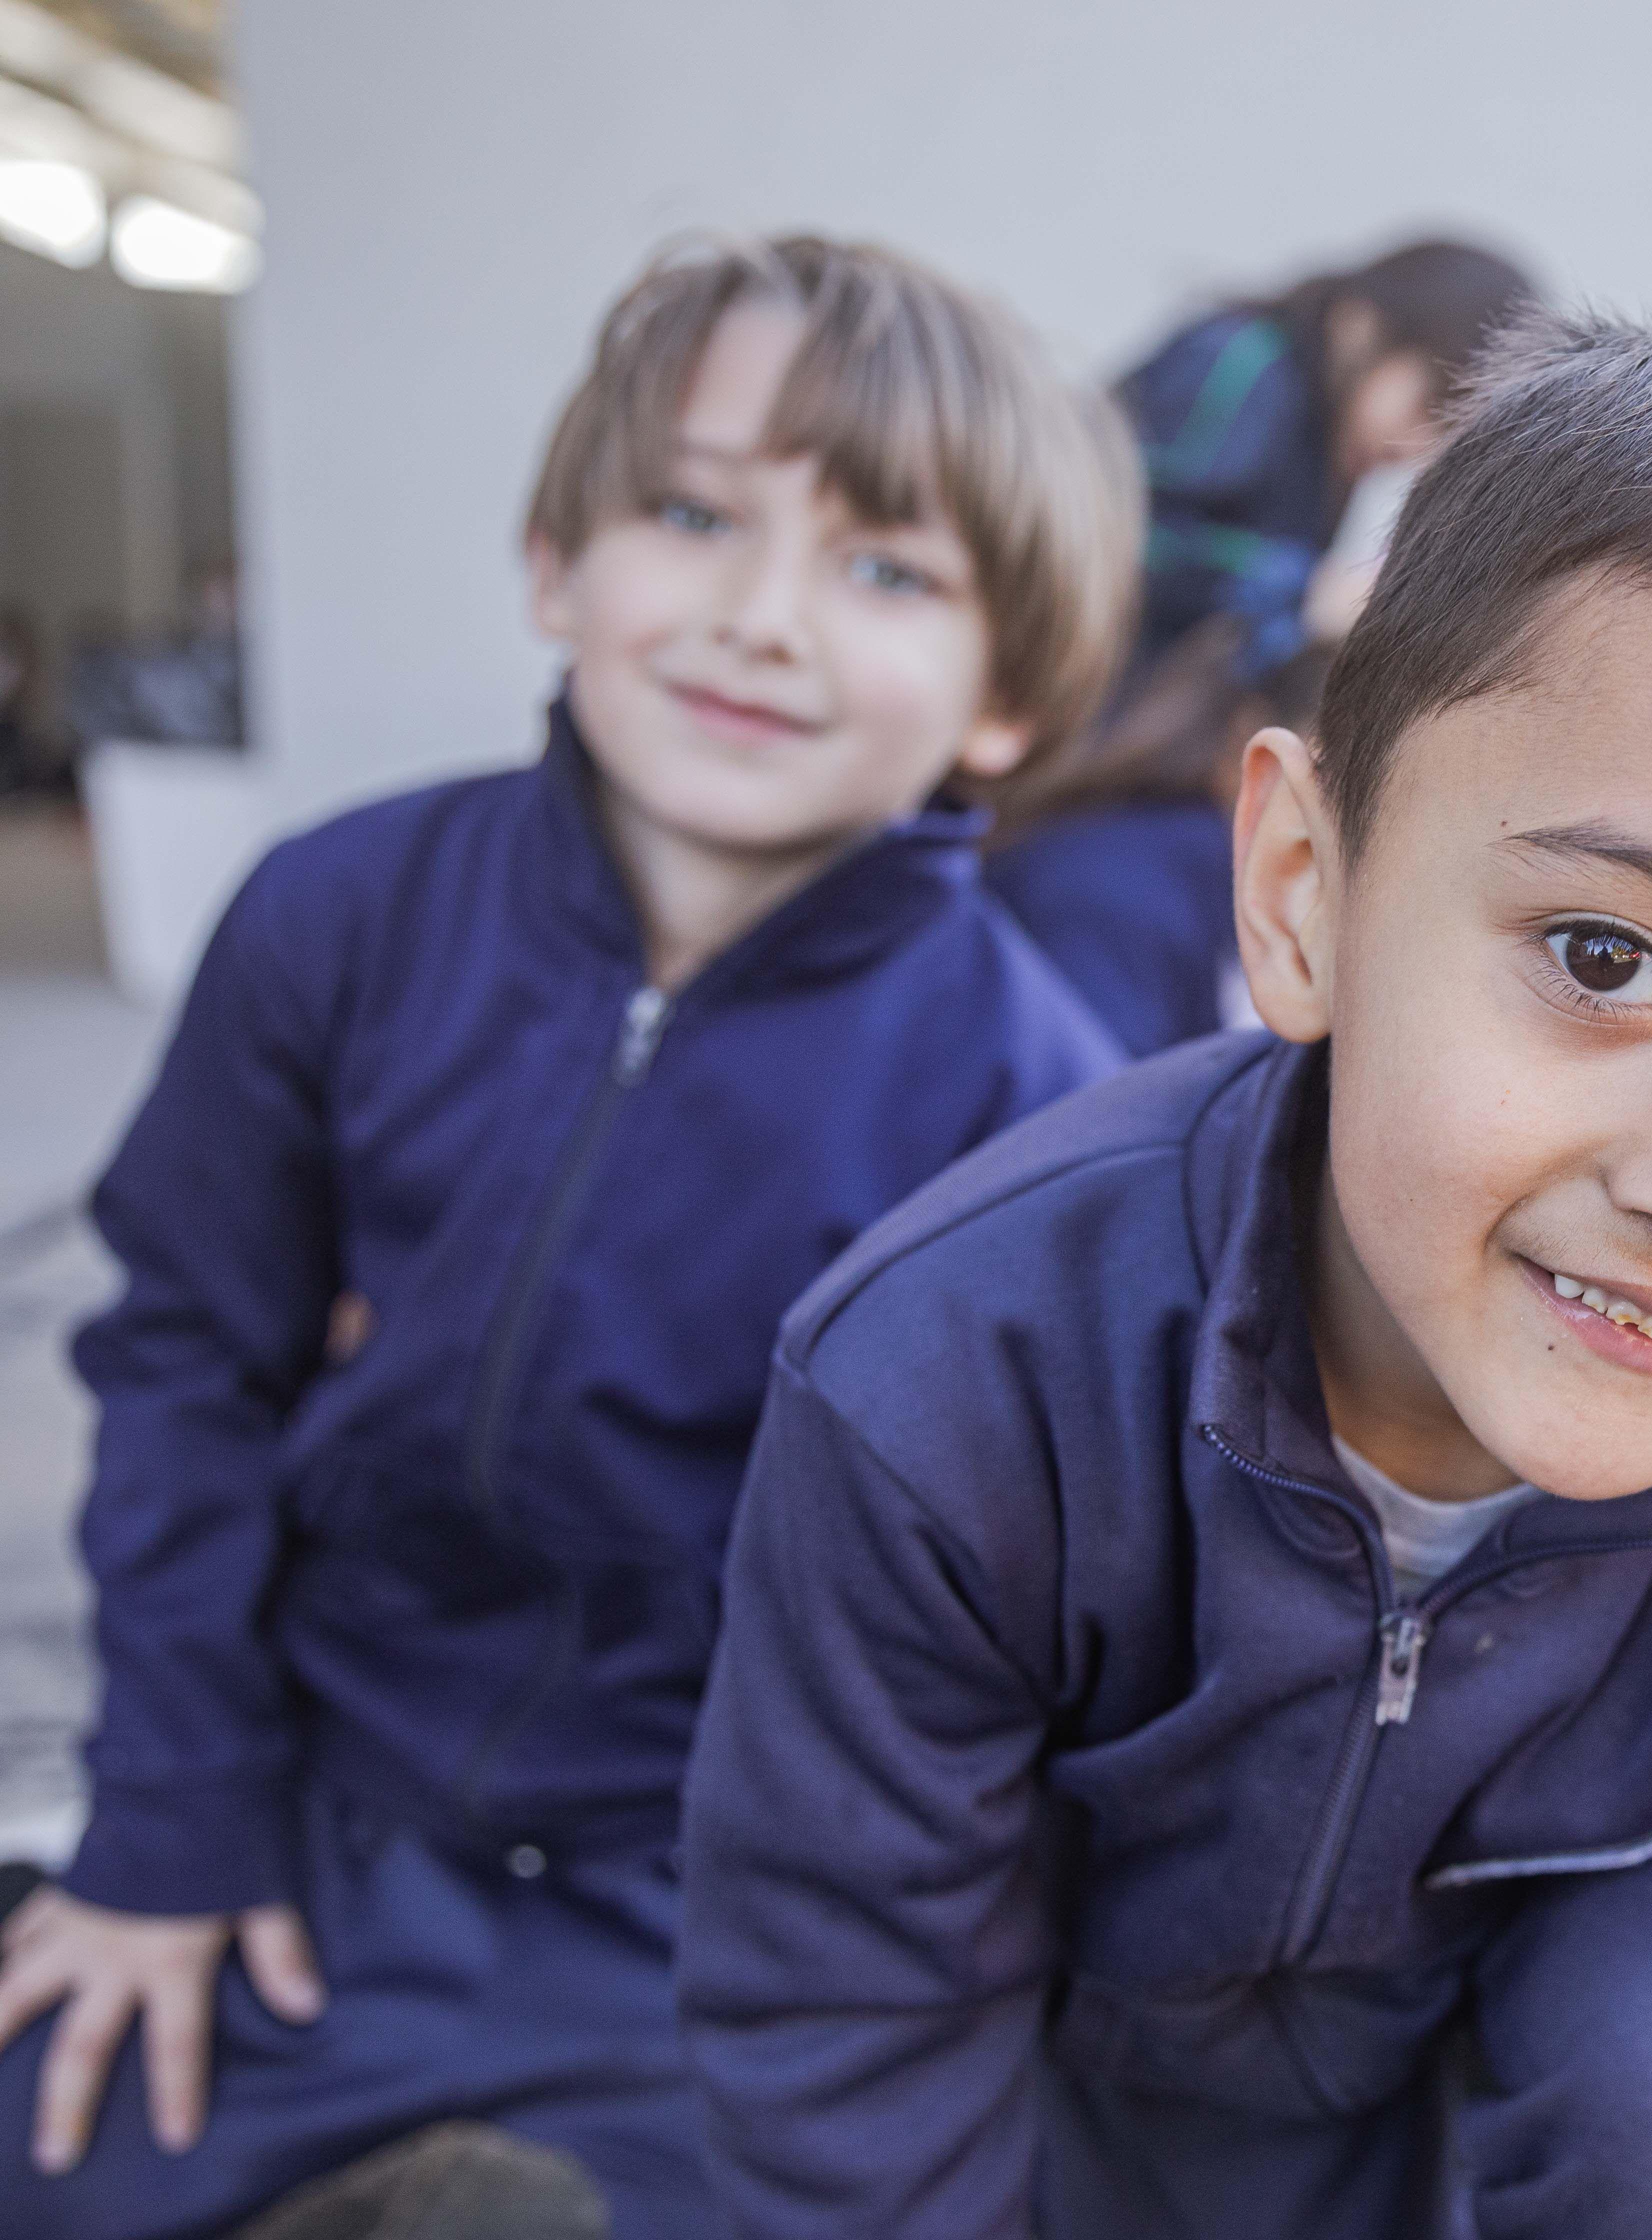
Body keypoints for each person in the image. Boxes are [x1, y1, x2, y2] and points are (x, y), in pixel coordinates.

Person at [677, 312, 1652, 2240]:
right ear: (1304, 897)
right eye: (1601, 956)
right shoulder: (958, 1383)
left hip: (1531, 2148)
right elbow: (847, 2045)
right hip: (1070, 2138)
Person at [0, 234, 1138, 2238]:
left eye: (888, 569)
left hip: (711, 1903)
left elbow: (1014, 1636)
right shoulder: (339, 916)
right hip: (315, 1815)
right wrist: (168, 1819)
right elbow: (184, 1360)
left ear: (1011, 698)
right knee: (65, 2136)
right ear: (555, 562)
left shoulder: (1034, 1101)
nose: (761, 619)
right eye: (695, 516)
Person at [986, 238, 1536, 1056]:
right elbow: (1117, 533)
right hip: (1064, 743)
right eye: (1428, 405)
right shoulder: (1242, 364)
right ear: (1362, 326)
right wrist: (1302, 593)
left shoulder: (1315, 439)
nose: (1416, 444)